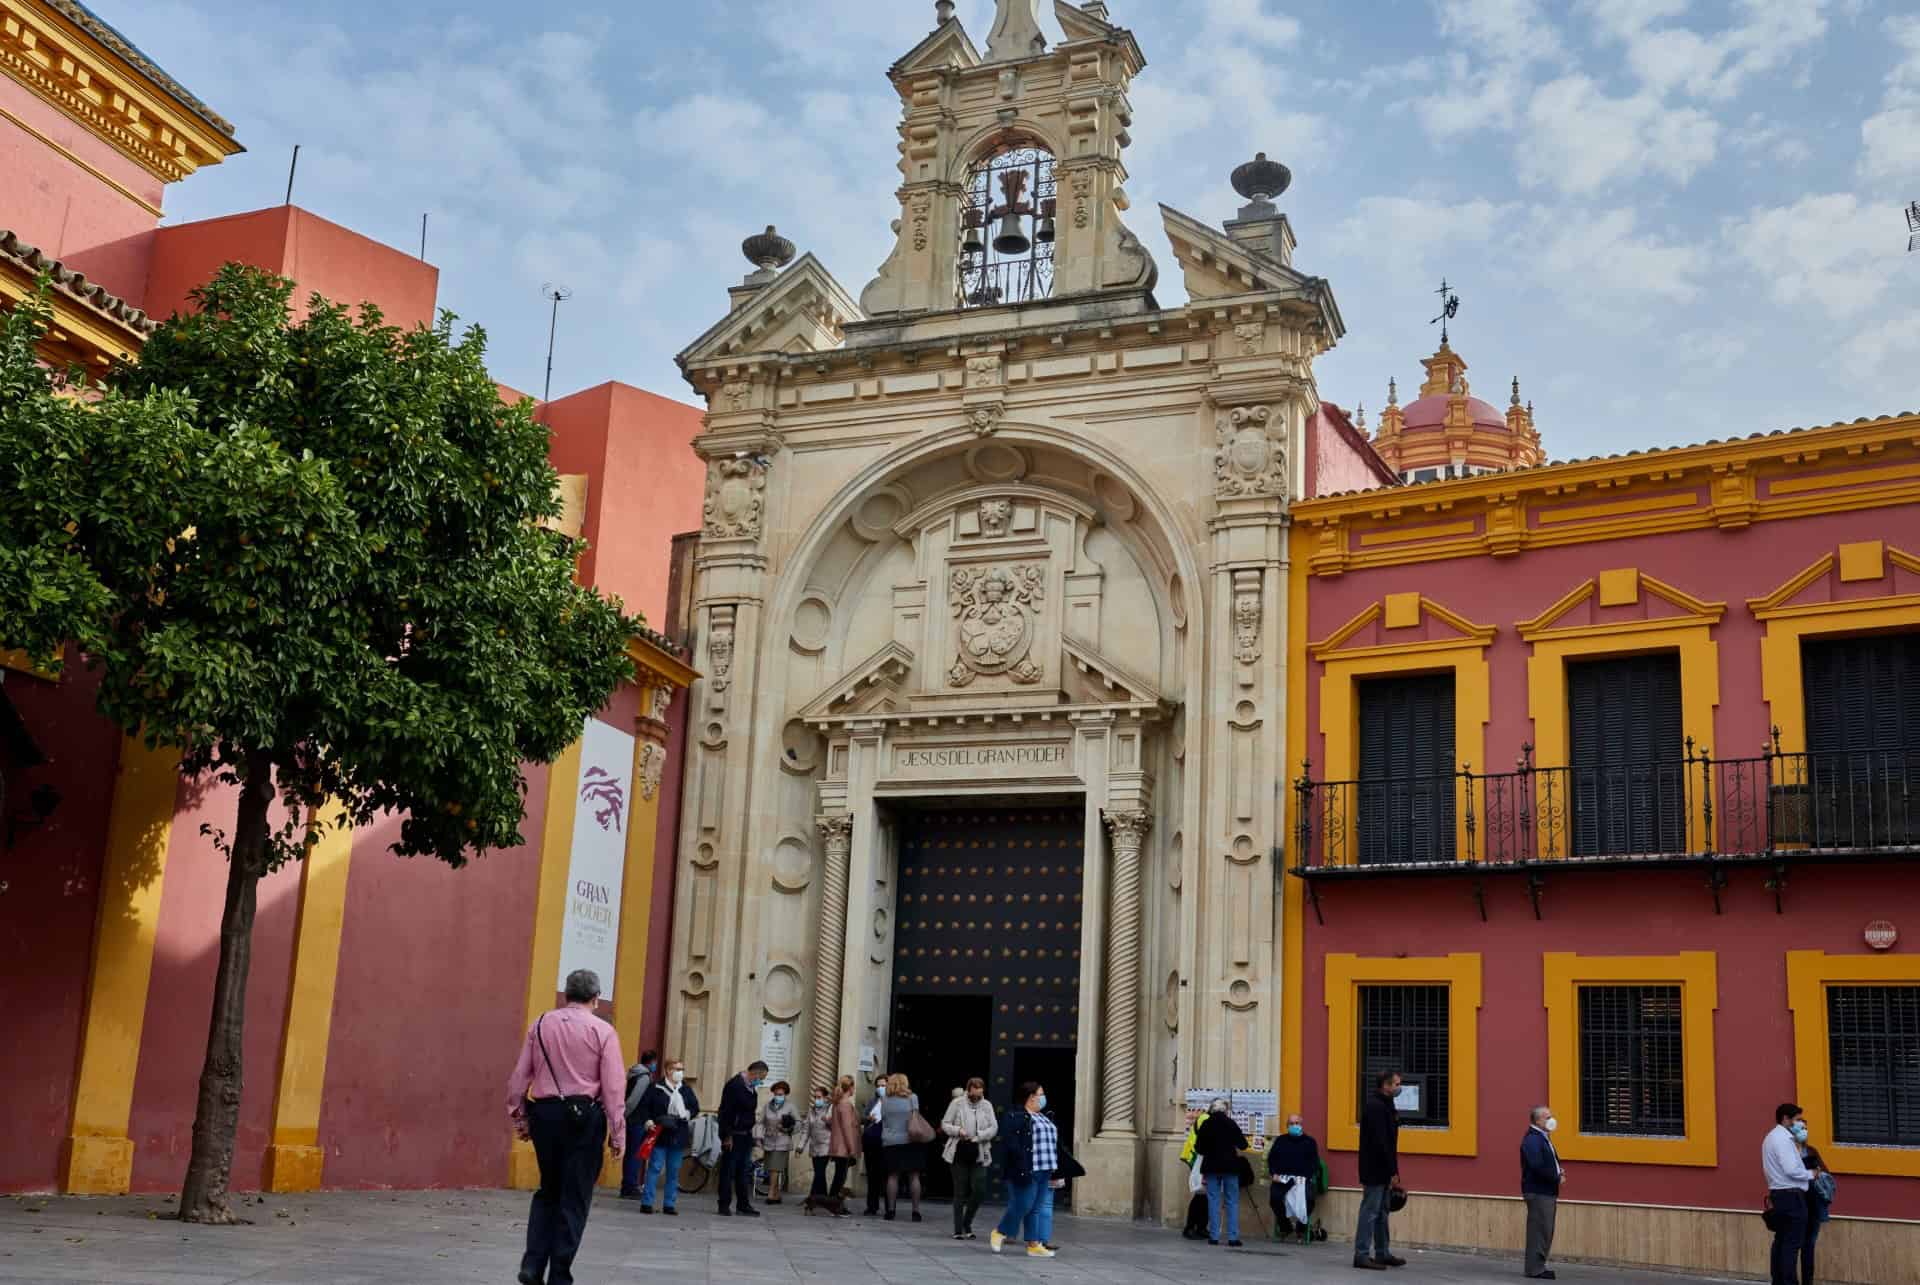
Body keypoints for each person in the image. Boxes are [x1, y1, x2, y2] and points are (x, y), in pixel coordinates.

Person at [506, 969, 625, 1285]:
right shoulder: (603, 1032)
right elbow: (613, 1088)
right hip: (584, 1119)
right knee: (574, 1197)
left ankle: (532, 1264)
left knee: (548, 1191)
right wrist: (617, 1131)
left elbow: (519, 1077)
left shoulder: (541, 1025)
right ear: (596, 997)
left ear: (565, 994)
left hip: (545, 1114)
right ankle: (560, 1273)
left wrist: (520, 1117)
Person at [991, 1081, 1058, 1259]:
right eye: (1041, 1094)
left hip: (1046, 1168)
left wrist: (1057, 1170)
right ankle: (1000, 1231)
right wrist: (1021, 1166)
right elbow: (1012, 1145)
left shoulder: (1044, 1116)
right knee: (1024, 1204)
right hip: (1029, 1168)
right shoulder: (1015, 1116)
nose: (1043, 1098)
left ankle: (1033, 1245)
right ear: (1031, 1097)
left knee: (1035, 1208)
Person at [1355, 1068, 1408, 1271]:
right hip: (1374, 1168)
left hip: (1384, 1168)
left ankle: (1382, 1253)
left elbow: (1390, 1142)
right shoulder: (1375, 1106)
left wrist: (1394, 1170)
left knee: (1382, 1212)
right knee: (1370, 1212)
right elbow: (1381, 1142)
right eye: (1396, 1084)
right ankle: (1361, 1254)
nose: (1399, 1087)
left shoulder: (1387, 1105)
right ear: (1385, 1085)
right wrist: (1392, 1171)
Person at [632, 1056, 696, 1215]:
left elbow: (695, 1107)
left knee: (674, 1171)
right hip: (660, 1132)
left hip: (678, 1133)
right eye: (677, 1069)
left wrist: (688, 1113)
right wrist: (647, 1121)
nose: (680, 1072)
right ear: (668, 1070)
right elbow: (644, 1107)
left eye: (682, 1069)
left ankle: (669, 1204)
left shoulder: (686, 1089)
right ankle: (647, 1203)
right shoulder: (655, 1087)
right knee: (654, 1168)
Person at [1764, 1103, 1816, 1285]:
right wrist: (1811, 1174)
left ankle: (1778, 1280)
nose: (1800, 1124)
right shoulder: (1783, 1139)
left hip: (1778, 1194)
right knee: (1792, 1244)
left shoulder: (1770, 1138)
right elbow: (1791, 1169)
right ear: (1785, 1119)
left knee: (1781, 1241)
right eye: (1797, 1120)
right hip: (1792, 1196)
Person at [942, 1076, 998, 1240]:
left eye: (980, 1093)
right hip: (959, 1150)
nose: (978, 1096)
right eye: (975, 1093)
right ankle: (958, 1228)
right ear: (969, 1090)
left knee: (979, 1188)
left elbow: (994, 1127)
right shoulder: (957, 1103)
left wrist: (980, 1136)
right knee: (960, 1191)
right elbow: (945, 1123)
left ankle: (968, 1221)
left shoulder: (987, 1105)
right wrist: (958, 1130)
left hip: (979, 1151)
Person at [716, 1059, 768, 1217]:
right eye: (762, 1077)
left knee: (743, 1171)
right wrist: (727, 1135)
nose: (762, 1081)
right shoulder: (735, 1085)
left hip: (746, 1135)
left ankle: (743, 1205)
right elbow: (726, 1112)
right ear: (755, 1073)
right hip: (733, 1135)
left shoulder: (750, 1088)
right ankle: (724, 1205)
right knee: (728, 1171)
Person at [1194, 1096, 1249, 1247]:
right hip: (1230, 1167)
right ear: (1226, 1111)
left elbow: (1198, 1148)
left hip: (1211, 1167)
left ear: (1212, 1110)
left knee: (1213, 1200)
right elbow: (1243, 1145)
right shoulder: (1231, 1123)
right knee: (1232, 1201)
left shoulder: (1206, 1124)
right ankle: (1233, 1237)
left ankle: (1214, 1236)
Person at [1520, 1105, 1564, 1280]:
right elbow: (1537, 1166)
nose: (1551, 1120)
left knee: (1545, 1229)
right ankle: (1535, 1269)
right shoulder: (1532, 1140)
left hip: (1545, 1191)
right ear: (1538, 1120)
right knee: (1539, 1230)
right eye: (1547, 1117)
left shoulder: (1542, 1137)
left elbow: (1547, 1162)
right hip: (1539, 1192)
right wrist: (1556, 1176)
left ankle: (1538, 1266)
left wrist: (1558, 1171)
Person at [879, 1071, 926, 1221]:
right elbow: (916, 1118)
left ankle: (891, 1211)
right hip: (911, 1141)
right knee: (914, 1176)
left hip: (891, 1141)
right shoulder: (913, 1098)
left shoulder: (885, 1100)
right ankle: (916, 1211)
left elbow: (884, 1120)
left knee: (893, 1176)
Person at [1268, 1112, 1322, 1241]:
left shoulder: (1310, 1142)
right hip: (1283, 1178)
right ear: (1287, 1126)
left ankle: (1301, 1229)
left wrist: (1307, 1176)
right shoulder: (1281, 1140)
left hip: (1302, 1179)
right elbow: (1272, 1159)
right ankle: (1286, 1227)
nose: (1294, 1126)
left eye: (1297, 1123)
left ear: (1301, 1125)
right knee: (1274, 1199)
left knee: (1309, 1199)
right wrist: (1274, 1173)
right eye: (1291, 1124)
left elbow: (1314, 1163)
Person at [617, 1049, 657, 1199]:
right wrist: (624, 1115)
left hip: (631, 1119)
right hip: (636, 1120)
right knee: (634, 1155)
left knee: (630, 1155)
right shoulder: (644, 1077)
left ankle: (627, 1185)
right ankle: (630, 1186)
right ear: (652, 1061)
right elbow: (634, 1100)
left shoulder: (634, 1073)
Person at [1800, 1140, 1835, 1285]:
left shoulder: (1811, 1150)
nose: (1804, 1132)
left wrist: (1817, 1173)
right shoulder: (1788, 1153)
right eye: (1801, 1128)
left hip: (1813, 1206)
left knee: (1809, 1246)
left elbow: (1826, 1172)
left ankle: (1808, 1281)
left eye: (1805, 1129)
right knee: (1793, 1246)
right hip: (1797, 1205)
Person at [758, 1080, 796, 1203]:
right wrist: (759, 1137)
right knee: (771, 1168)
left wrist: (788, 1128)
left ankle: (770, 1193)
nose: (778, 1096)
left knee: (775, 1168)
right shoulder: (767, 1106)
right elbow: (760, 1122)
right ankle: (777, 1195)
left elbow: (799, 1123)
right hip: (769, 1140)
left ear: (785, 1094)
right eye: (776, 1094)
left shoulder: (790, 1106)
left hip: (782, 1141)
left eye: (781, 1094)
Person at [828, 1075, 860, 1201]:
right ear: (850, 1087)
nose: (854, 1090)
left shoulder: (837, 1103)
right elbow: (847, 1128)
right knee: (840, 1177)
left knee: (839, 1175)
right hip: (844, 1146)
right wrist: (851, 1148)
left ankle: (833, 1202)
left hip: (838, 1145)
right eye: (853, 1087)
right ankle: (833, 1203)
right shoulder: (845, 1104)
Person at [862, 1074, 890, 1216]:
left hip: (885, 1141)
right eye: (878, 1085)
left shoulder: (893, 1101)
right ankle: (871, 1206)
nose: (880, 1088)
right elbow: (864, 1116)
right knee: (872, 1174)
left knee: (886, 1175)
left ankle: (889, 1207)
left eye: (883, 1085)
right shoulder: (873, 1100)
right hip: (871, 1140)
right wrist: (868, 1118)